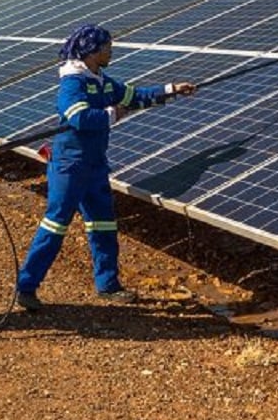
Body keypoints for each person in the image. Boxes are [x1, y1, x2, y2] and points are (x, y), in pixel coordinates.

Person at [15, 24, 197, 311]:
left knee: (104, 226)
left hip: (95, 165)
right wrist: (113, 114)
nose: (111, 50)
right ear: (91, 50)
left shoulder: (101, 80)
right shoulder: (72, 83)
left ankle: (108, 286)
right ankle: (26, 287)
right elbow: (78, 118)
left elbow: (134, 95)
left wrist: (171, 89)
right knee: (55, 225)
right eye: (107, 47)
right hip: (69, 166)